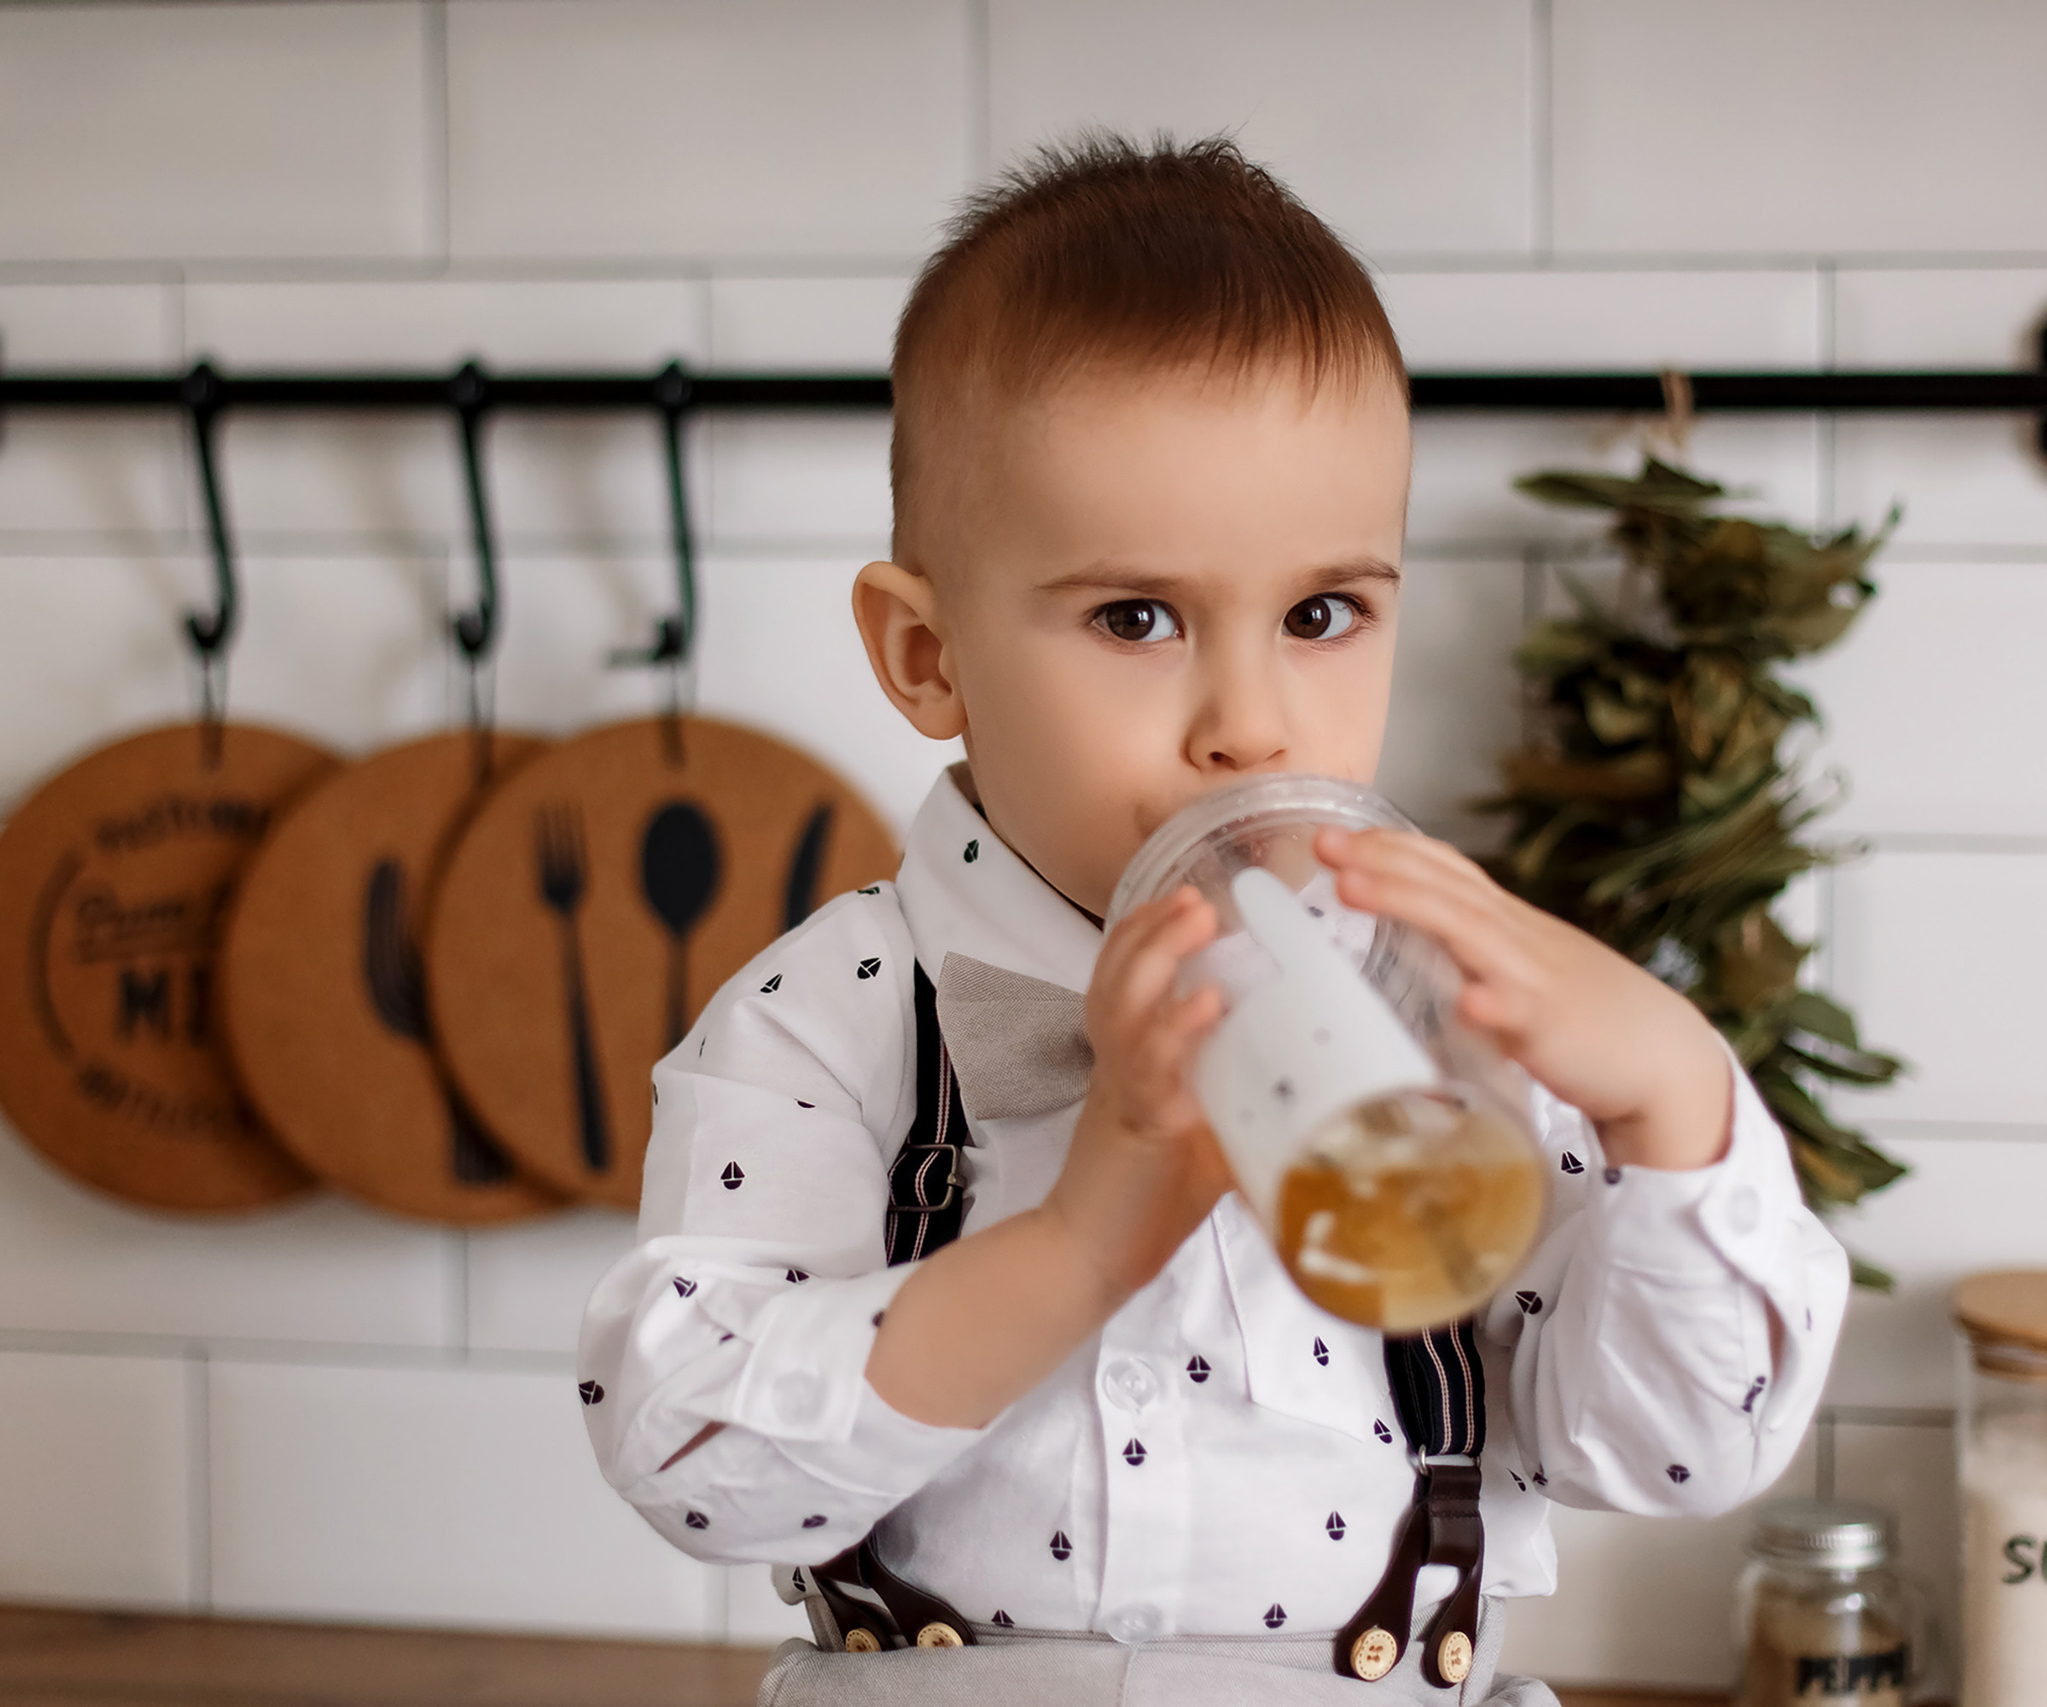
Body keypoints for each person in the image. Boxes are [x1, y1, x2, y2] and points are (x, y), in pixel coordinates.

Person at [580, 134, 1847, 1706]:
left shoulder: (1466, 1022)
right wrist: (1067, 1248)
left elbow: (1677, 1454)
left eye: (1323, 615)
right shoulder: (826, 1020)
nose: (1251, 726)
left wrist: (1676, 1099)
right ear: (929, 661)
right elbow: (686, 1454)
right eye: (1136, 617)